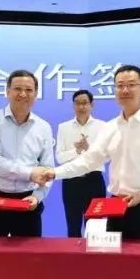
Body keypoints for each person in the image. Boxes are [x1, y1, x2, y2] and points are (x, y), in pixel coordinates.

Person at [38, 65, 140, 239]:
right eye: (120, 85)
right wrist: (54, 173)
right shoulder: (111, 127)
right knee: (112, 254)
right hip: (115, 204)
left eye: (131, 84)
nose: (125, 90)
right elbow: (90, 160)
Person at [0, 70, 55, 237]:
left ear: (36, 94)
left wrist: (37, 196)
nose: (23, 94)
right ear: (7, 91)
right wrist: (30, 173)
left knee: (29, 253)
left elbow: (48, 169)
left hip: (28, 201)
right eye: (18, 89)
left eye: (29, 90)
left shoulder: (43, 127)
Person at [55, 90, 106, 237]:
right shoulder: (64, 127)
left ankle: (94, 252)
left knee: (95, 227)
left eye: (85, 103)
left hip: (94, 180)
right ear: (73, 105)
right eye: (77, 103)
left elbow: (106, 157)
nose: (81, 107)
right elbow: (59, 158)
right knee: (73, 227)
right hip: (71, 181)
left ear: (92, 105)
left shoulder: (102, 126)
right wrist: (76, 150)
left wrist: (89, 149)